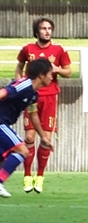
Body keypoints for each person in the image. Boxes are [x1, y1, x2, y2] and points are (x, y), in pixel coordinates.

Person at [15, 17, 71, 194]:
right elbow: (19, 67)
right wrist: (19, 84)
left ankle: (40, 176)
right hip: (32, 96)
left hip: (50, 97)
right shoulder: (28, 49)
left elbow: (69, 72)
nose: (47, 31)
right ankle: (27, 175)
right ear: (37, 31)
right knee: (30, 137)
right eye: (43, 28)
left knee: (46, 139)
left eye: (49, 28)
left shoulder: (59, 50)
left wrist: (58, 70)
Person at [0, 58, 55, 198]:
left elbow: (33, 114)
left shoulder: (33, 94)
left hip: (4, 123)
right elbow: (4, 93)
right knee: (23, 150)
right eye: (50, 73)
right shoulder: (24, 85)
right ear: (41, 75)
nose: (52, 77)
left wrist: (43, 137)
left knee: (2, 160)